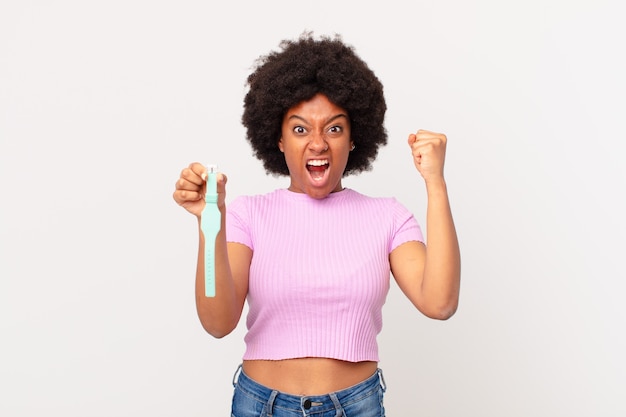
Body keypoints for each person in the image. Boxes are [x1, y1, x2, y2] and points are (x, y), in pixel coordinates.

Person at [172, 32, 460, 417]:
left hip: (355, 405)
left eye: (335, 128)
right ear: (277, 138)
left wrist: (435, 183)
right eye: (300, 129)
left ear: (355, 137)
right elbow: (217, 322)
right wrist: (211, 221)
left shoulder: (388, 217)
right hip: (261, 405)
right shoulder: (246, 215)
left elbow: (439, 302)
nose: (318, 144)